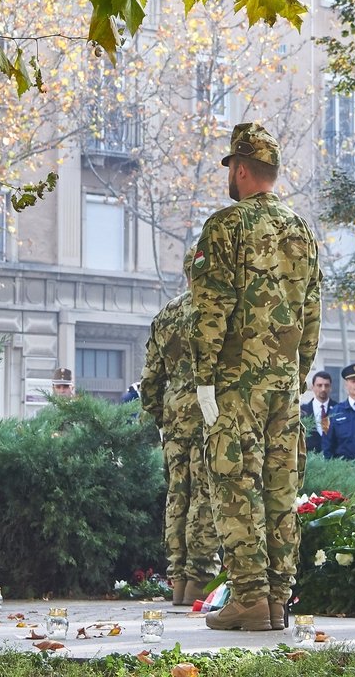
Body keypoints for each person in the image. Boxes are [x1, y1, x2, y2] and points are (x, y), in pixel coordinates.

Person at [190, 122, 322, 632]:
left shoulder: (225, 227)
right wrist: (297, 373)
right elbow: (311, 313)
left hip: (235, 384)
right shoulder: (303, 232)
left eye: (231, 169)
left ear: (241, 170)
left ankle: (248, 598)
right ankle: (277, 600)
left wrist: (204, 381)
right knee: (280, 488)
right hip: (284, 387)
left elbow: (210, 311)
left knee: (234, 484)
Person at [139, 247, 219, 608]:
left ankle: (177, 579)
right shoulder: (217, 309)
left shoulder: (166, 314)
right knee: (205, 494)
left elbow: (150, 379)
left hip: (174, 413)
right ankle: (200, 577)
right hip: (210, 411)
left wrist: (160, 414)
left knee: (177, 494)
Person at [299, 371, 333, 455]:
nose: (323, 389)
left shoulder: (338, 409)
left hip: (333, 461)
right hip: (310, 460)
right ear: (312, 387)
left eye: (326, 385)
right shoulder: (302, 411)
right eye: (319, 385)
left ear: (330, 388)